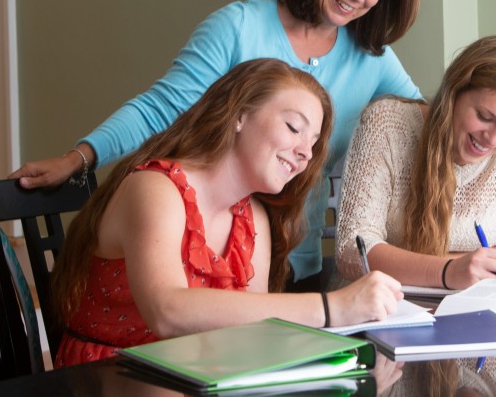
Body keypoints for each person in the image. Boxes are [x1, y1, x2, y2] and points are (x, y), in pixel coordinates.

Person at [10, 0, 424, 291]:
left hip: (299, 269)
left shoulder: (374, 60)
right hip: (212, 267)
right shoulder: (237, 27)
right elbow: (160, 110)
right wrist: (77, 158)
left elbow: (427, 126)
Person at [51, 59, 402, 367]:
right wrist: (332, 308)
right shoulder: (155, 188)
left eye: (312, 144)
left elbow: (254, 335)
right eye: (294, 128)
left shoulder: (254, 219)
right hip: (109, 379)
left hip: (197, 375)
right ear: (238, 115)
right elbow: (166, 312)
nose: (304, 154)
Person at [334, 35, 496, 291]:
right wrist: (449, 271)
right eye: (485, 116)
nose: (494, 139)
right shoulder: (386, 124)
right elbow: (352, 249)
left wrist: (492, 258)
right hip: (393, 310)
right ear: (455, 93)